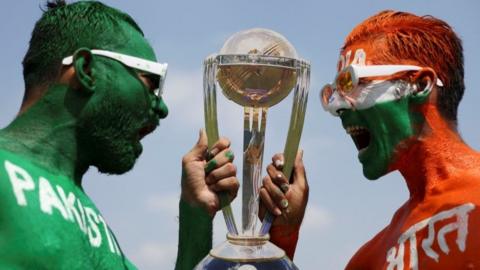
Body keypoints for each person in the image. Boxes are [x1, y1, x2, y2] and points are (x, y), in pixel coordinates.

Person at [0, 1, 239, 269]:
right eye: (151, 83)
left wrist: (196, 213)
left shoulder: (98, 231)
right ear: (86, 70)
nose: (162, 108)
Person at [261, 10, 480, 269]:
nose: (339, 107)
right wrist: (283, 238)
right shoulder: (371, 258)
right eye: (334, 92)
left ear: (420, 86)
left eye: (353, 84)